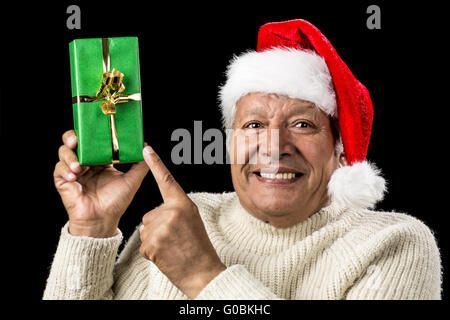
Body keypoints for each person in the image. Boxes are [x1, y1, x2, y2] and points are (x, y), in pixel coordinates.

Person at [43, 19, 442, 300]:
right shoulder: (189, 215)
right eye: (253, 126)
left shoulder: (393, 244)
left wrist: (203, 276)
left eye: (303, 124)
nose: (273, 146)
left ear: (340, 152)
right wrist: (91, 229)